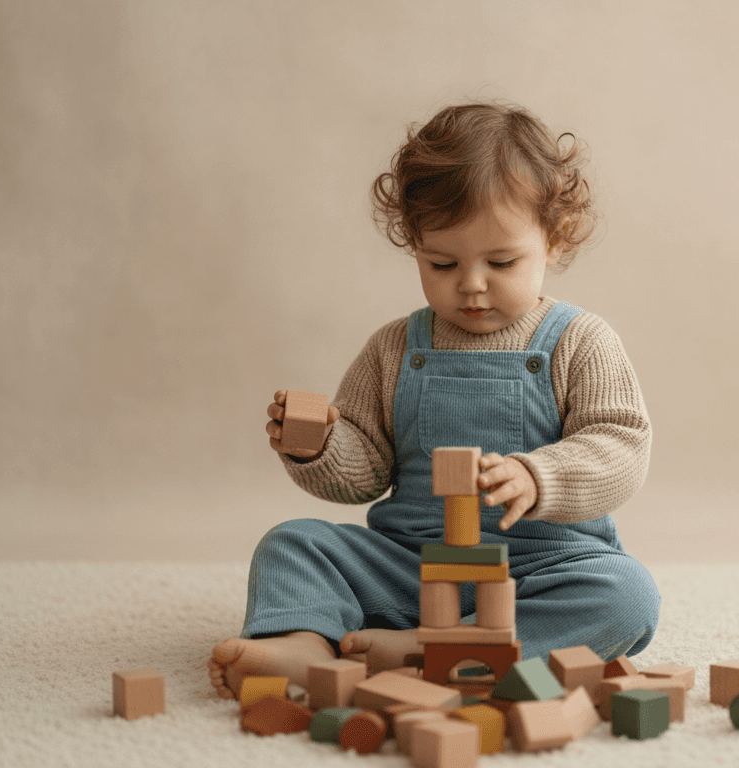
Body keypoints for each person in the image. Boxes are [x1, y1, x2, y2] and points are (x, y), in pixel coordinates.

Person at [209, 101, 659, 698]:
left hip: (539, 568)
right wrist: (318, 446)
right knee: (294, 542)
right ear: (414, 245)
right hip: (412, 565)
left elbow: (621, 445)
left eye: (502, 261)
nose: (471, 284)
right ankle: (303, 644)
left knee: (628, 595)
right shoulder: (396, 347)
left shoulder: (581, 342)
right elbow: (365, 469)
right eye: (441, 262)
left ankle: (448, 650)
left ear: (553, 240)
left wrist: (539, 475)